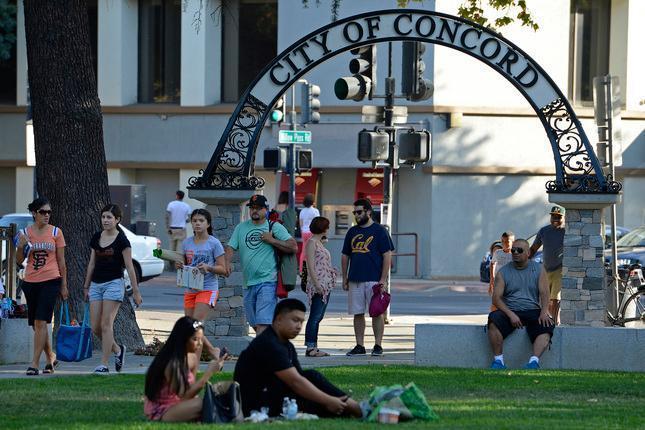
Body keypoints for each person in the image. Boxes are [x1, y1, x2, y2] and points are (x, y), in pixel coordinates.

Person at [233, 298, 362, 418]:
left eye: (301, 322)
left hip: (273, 396)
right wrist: (329, 400)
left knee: (312, 379)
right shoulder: (268, 343)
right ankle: (358, 409)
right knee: (317, 389)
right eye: (295, 320)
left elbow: (301, 378)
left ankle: (354, 407)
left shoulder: (286, 345)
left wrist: (330, 400)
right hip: (256, 406)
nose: (299, 326)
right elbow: (296, 382)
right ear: (278, 319)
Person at [83, 204, 143, 374]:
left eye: (109, 217)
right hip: (96, 284)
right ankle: (117, 350)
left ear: (117, 220)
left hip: (114, 284)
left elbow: (130, 267)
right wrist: (86, 286)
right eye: (103, 217)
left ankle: (104, 364)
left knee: (106, 324)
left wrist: (136, 291)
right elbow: (92, 263)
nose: (106, 220)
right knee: (95, 327)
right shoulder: (96, 237)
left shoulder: (122, 240)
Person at [225, 194, 297, 335]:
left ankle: (261, 353)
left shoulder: (273, 226)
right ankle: (271, 343)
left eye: (258, 208)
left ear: (266, 209)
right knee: (254, 322)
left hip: (268, 281)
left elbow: (293, 246)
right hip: (248, 283)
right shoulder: (241, 228)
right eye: (252, 208)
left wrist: (272, 240)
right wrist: (226, 262)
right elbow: (230, 247)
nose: (254, 211)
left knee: (263, 322)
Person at [16, 197, 68, 376]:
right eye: (43, 212)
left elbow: (62, 261)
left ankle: (34, 364)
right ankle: (50, 357)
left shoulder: (56, 232)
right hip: (30, 282)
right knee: (38, 325)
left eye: (49, 212)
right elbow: (18, 260)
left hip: (51, 280)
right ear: (34, 213)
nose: (47, 215)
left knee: (40, 321)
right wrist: (20, 247)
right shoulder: (24, 232)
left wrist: (64, 285)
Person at [144, 316, 227, 422]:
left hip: (180, 405)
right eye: (195, 339)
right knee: (204, 403)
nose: (200, 344)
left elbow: (191, 391)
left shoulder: (191, 358)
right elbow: (185, 397)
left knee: (216, 397)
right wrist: (208, 373)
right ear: (183, 338)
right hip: (164, 411)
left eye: (201, 339)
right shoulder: (172, 363)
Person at [488, 239, 554, 370]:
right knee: (493, 320)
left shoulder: (538, 269)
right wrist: (510, 314)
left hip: (532, 309)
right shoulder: (503, 272)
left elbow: (545, 293)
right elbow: (496, 299)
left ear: (528, 253)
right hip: (510, 310)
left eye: (519, 250)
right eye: (513, 250)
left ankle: (533, 362)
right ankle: (498, 362)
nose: (515, 253)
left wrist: (543, 312)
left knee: (547, 324)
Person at [342, 199, 394, 357]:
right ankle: (360, 345)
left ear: (368, 212)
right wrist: (344, 277)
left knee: (376, 313)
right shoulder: (352, 232)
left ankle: (378, 345)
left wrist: (383, 280)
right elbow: (345, 256)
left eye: (359, 212)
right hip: (355, 278)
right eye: (355, 213)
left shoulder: (380, 231)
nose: (356, 215)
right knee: (357, 313)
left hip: (374, 279)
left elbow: (387, 255)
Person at [176, 208, 227, 358]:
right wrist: (179, 266)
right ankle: (213, 351)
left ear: (208, 224)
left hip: (208, 289)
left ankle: (195, 362)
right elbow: (185, 264)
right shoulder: (186, 243)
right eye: (194, 221)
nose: (197, 223)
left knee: (195, 325)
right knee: (189, 328)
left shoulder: (214, 243)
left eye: (201, 221)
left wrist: (209, 268)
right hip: (191, 289)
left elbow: (223, 269)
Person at [304, 216, 337, 357]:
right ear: (323, 228)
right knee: (315, 316)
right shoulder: (311, 242)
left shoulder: (319, 242)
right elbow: (310, 265)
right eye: (327, 227)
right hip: (318, 284)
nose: (328, 230)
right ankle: (310, 347)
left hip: (325, 284)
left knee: (319, 315)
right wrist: (316, 284)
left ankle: (314, 347)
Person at [529, 205, 565, 324]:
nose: (555, 219)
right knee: (545, 297)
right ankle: (550, 318)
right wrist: (525, 258)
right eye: (553, 216)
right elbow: (534, 248)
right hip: (545, 269)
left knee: (555, 298)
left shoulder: (567, 231)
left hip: (560, 269)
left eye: (558, 217)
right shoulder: (544, 231)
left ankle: (556, 321)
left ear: (563, 218)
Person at [489, 231, 515, 311]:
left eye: (507, 241)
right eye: (502, 241)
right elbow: (492, 264)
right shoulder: (498, 253)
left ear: (513, 242)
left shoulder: (515, 254)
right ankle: (492, 320)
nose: (504, 244)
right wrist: (492, 279)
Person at [298, 193, 320, 271]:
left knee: (304, 252)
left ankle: (302, 271)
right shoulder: (315, 211)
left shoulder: (302, 211)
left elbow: (301, 224)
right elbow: (318, 223)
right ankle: (313, 270)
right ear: (312, 201)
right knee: (314, 252)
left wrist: (303, 232)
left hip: (304, 232)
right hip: (312, 232)